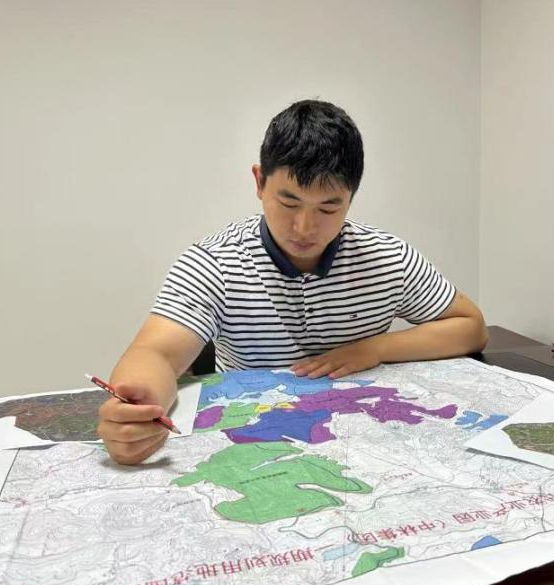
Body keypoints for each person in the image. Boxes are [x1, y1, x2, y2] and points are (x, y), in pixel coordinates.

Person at [98, 99, 488, 465]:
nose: (304, 227)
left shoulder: (386, 257)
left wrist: (374, 348)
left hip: (363, 442)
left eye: (328, 207)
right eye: (289, 203)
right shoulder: (215, 262)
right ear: (259, 182)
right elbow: (156, 354)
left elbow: (470, 327)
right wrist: (138, 405)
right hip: (257, 445)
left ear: (351, 197)